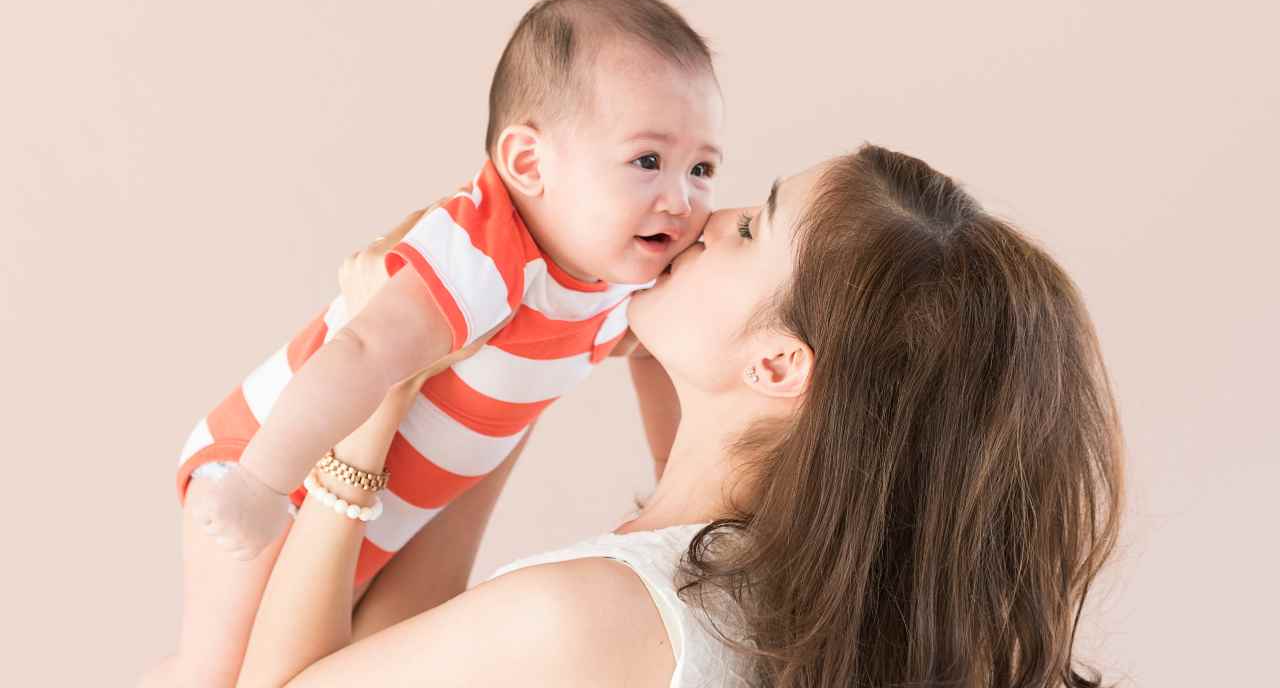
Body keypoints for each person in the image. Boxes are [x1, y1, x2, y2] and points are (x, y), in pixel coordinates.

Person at [231, 144, 1124, 687]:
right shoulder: (789, 604)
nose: (704, 214)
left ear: (778, 364)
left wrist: (375, 391)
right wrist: (517, 360)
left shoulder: (600, 614)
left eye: (749, 231)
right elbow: (404, 654)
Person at [153, 0, 723, 685]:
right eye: (648, 161)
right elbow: (361, 349)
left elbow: (655, 356)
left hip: (387, 512)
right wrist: (261, 483)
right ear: (527, 164)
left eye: (702, 168)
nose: (683, 198)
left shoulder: (622, 268)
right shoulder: (481, 251)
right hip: (278, 464)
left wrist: (675, 479)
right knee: (213, 674)